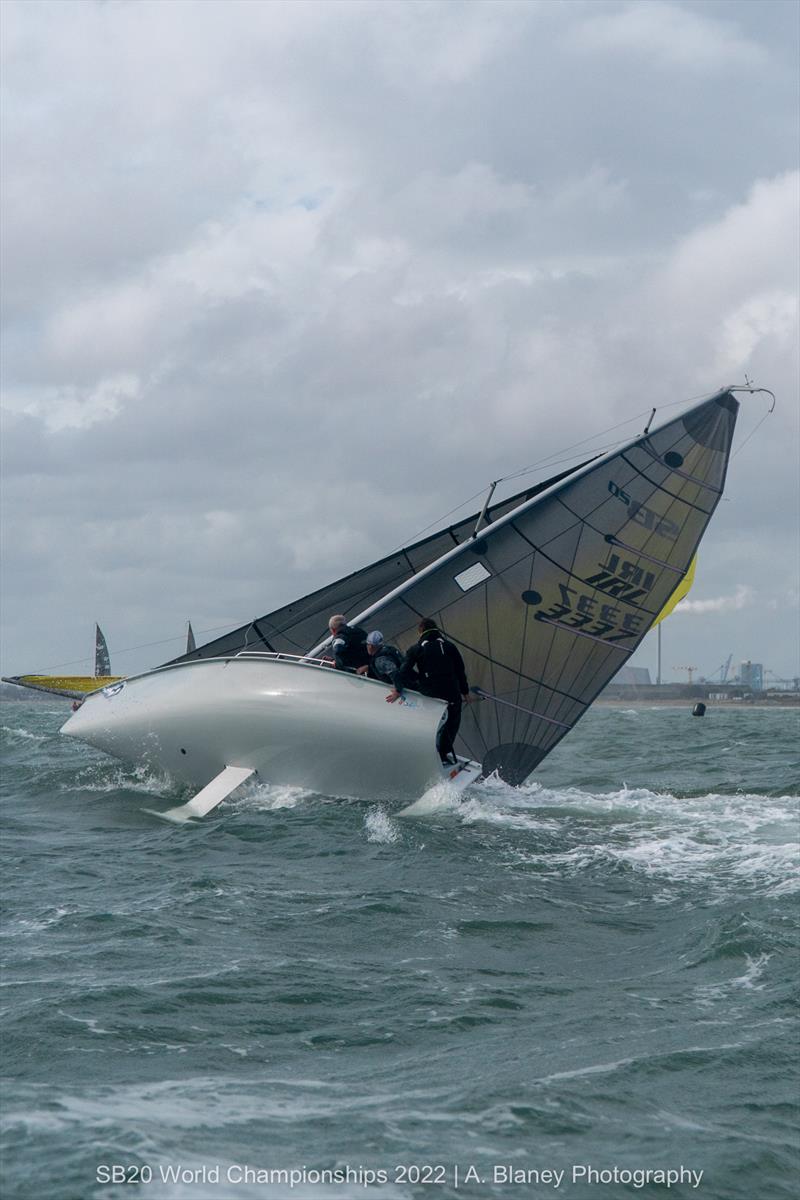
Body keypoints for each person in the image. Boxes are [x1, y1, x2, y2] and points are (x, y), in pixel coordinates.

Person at [386, 618, 470, 764]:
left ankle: (424, 752)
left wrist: (402, 688)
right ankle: (443, 753)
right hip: (451, 691)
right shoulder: (450, 646)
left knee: (432, 722)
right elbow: (460, 670)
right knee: (452, 722)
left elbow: (403, 672)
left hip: (430, 692)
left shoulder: (416, 649)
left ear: (421, 631)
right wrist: (465, 691)